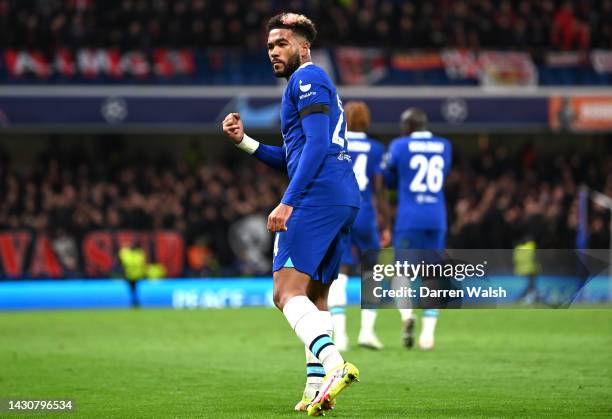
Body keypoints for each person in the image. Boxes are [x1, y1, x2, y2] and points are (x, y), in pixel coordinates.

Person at [221, 12, 361, 416]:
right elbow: (296, 155)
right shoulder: (311, 85)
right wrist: (246, 142)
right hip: (339, 195)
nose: (274, 52)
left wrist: (289, 201)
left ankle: (335, 365)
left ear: (304, 47)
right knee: (315, 297)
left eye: (281, 44)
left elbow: (316, 146)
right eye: (269, 46)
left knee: (284, 293)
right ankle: (315, 386)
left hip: (318, 195)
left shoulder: (307, 79)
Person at [385, 108, 452, 350]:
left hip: (409, 218)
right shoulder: (444, 145)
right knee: (432, 274)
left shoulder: (399, 145)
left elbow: (389, 176)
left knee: (401, 273)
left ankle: (407, 316)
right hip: (436, 217)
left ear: (409, 126)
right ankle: (428, 336)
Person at [327, 101, 390, 351]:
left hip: (340, 210)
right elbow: (379, 189)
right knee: (371, 271)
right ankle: (367, 332)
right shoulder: (375, 148)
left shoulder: (336, 143)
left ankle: (340, 336)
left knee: (339, 271)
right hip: (365, 212)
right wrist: (386, 223)